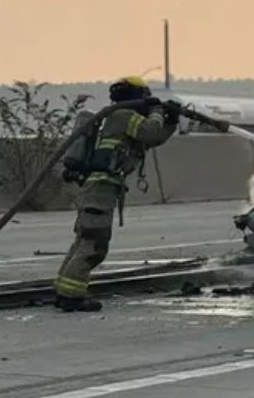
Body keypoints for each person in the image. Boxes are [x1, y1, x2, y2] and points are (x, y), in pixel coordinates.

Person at [53, 76, 179, 312]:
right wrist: (156, 110)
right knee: (94, 245)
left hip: (96, 187)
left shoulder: (113, 118)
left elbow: (154, 138)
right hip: (102, 188)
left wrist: (171, 121)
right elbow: (151, 131)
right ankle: (72, 296)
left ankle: (63, 291)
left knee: (84, 239)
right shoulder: (124, 116)